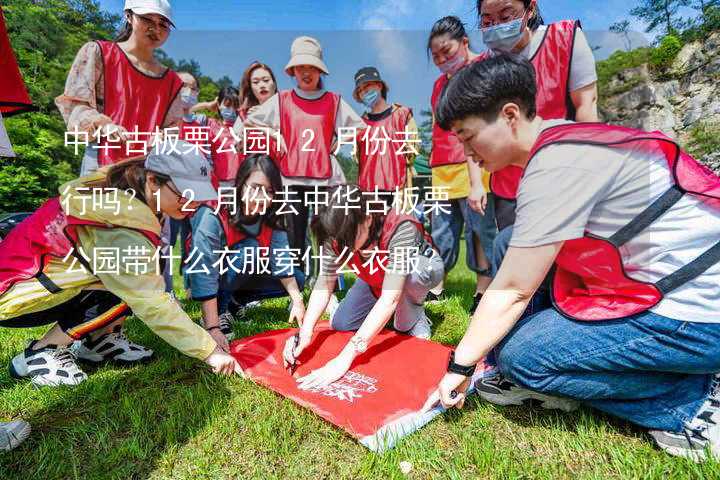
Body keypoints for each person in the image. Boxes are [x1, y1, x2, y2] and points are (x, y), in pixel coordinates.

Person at [426, 54, 720, 461]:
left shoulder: (555, 168)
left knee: (523, 359)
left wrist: (461, 365)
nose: (466, 152)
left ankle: (692, 401)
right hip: (667, 281)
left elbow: (511, 290)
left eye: (468, 136)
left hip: (699, 315)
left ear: (509, 115)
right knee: (508, 240)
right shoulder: (564, 137)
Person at [0, 141, 242, 389]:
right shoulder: (119, 220)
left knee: (138, 274)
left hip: (35, 281)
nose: (190, 204)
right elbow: (151, 303)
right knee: (136, 286)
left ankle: (100, 341)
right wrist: (210, 351)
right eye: (183, 194)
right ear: (152, 181)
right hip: (16, 295)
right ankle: (41, 352)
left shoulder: (130, 193)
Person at [476, 0, 599, 288]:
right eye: (487, 20)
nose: (496, 27)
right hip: (510, 187)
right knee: (520, 271)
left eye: (506, 16)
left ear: (529, 9)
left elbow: (587, 107)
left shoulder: (564, 39)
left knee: (568, 269)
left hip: (562, 178)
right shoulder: (483, 67)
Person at [282, 185, 444, 389]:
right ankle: (377, 298)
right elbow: (325, 281)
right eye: (337, 241)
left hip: (414, 271)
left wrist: (345, 357)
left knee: (403, 323)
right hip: (375, 275)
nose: (342, 247)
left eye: (348, 239)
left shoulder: (400, 228)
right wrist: (305, 332)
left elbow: (389, 299)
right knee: (342, 323)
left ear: (368, 219)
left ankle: (415, 311)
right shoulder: (336, 231)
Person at [185, 154, 306, 349]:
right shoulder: (215, 212)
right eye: (256, 188)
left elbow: (281, 261)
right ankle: (219, 311)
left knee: (298, 279)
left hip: (241, 271)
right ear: (241, 185)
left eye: (269, 191)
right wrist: (212, 327)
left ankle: (235, 302)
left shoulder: (273, 216)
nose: (262, 198)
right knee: (250, 249)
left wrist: (298, 302)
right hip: (213, 272)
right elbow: (204, 268)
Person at [56, 0, 184, 175]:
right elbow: (75, 105)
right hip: (101, 161)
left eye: (163, 24)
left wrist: (164, 138)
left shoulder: (172, 81)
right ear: (129, 16)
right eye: (147, 19)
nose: (156, 29)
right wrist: (105, 126)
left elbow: (173, 127)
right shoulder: (99, 53)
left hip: (146, 170)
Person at [427, 16, 497, 313]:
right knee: (440, 230)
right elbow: (436, 125)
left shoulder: (485, 67)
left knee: (479, 230)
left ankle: (482, 291)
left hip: (477, 165)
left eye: (447, 51)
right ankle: (434, 288)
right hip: (442, 169)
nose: (443, 59)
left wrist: (478, 179)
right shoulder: (439, 84)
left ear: (465, 42)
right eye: (437, 56)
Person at [351, 66, 418, 197]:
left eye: (367, 86)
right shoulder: (359, 125)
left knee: (399, 218)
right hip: (368, 192)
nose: (364, 92)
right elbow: (357, 158)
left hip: (399, 190)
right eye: (360, 90)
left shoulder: (402, 115)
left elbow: (412, 151)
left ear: (379, 86)